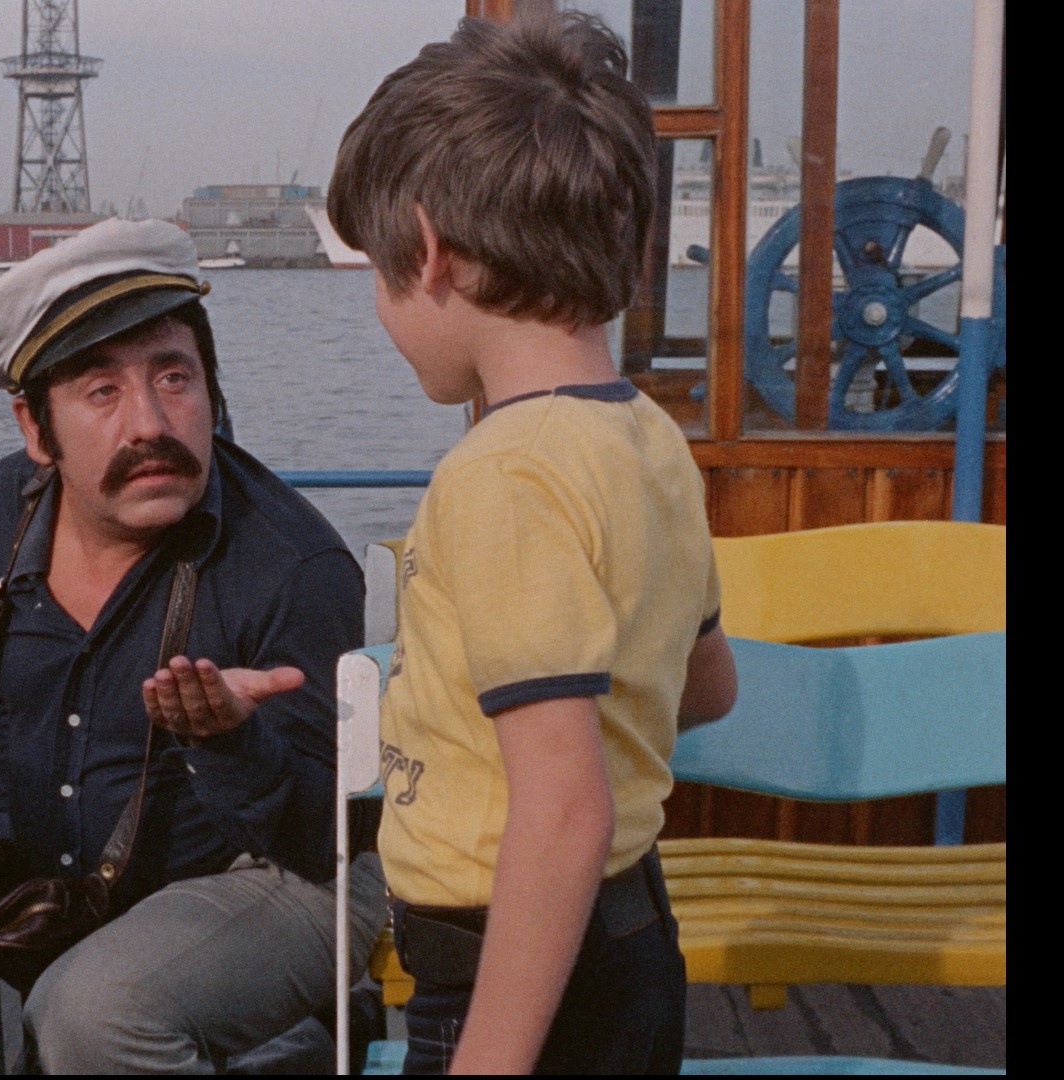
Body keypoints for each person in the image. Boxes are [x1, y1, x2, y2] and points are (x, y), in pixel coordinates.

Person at [326, 12, 739, 1074]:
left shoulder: (503, 475)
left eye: (378, 270)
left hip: (515, 968)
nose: (381, 305)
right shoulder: (646, 438)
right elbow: (707, 686)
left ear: (429, 249)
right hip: (631, 939)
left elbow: (561, 813)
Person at [0, 216, 387, 1073]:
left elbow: (327, 840)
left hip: (280, 876)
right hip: (86, 885)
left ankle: (275, 1019)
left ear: (213, 395)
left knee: (96, 1015)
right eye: (101, 391)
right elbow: (8, 712)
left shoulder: (292, 566)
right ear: (36, 430)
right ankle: (275, 1042)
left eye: (174, 377)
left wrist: (232, 740)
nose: (149, 423)